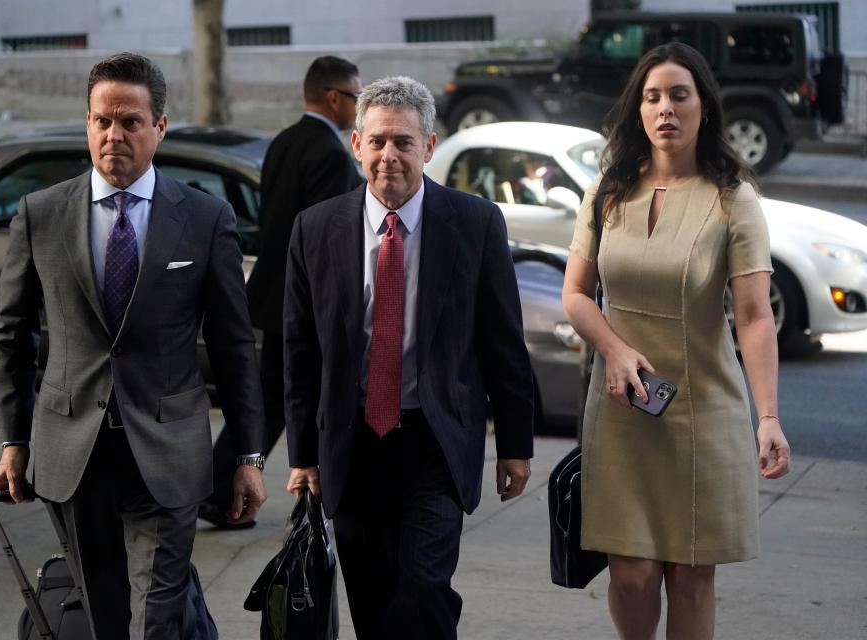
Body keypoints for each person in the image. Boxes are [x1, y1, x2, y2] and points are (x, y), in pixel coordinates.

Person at [0, 52, 267, 639]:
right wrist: (13, 441)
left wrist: (247, 456)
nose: (114, 134)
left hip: (168, 448)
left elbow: (234, 347)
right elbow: (13, 334)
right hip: (72, 451)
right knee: (103, 612)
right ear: (87, 123)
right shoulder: (40, 215)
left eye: (131, 122)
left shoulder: (205, 217)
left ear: (159, 127)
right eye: (102, 121)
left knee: (159, 614)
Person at [283, 76, 535, 639]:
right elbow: (300, 353)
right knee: (372, 602)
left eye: (402, 142)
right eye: (377, 142)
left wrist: (515, 446)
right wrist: (303, 453)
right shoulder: (316, 229)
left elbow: (503, 343)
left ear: (429, 144)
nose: (388, 156)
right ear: (356, 145)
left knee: (423, 588)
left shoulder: (474, 223)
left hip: (435, 443)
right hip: (352, 447)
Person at [561, 42, 791, 639]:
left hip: (704, 408)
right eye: (652, 96)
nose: (665, 108)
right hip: (621, 410)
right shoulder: (607, 192)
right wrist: (613, 347)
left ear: (704, 108)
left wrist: (767, 416)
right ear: (638, 110)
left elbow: (754, 315)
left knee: (690, 579)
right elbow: (577, 296)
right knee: (631, 576)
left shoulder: (733, 199)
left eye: (679, 95)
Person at [200, 55, 363, 529]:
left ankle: (221, 492)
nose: (359, 105)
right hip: (307, 304)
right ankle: (293, 498)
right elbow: (326, 239)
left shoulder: (284, 143)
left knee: (273, 401)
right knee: (304, 403)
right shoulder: (330, 155)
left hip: (274, 296)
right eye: (356, 95)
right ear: (334, 97)